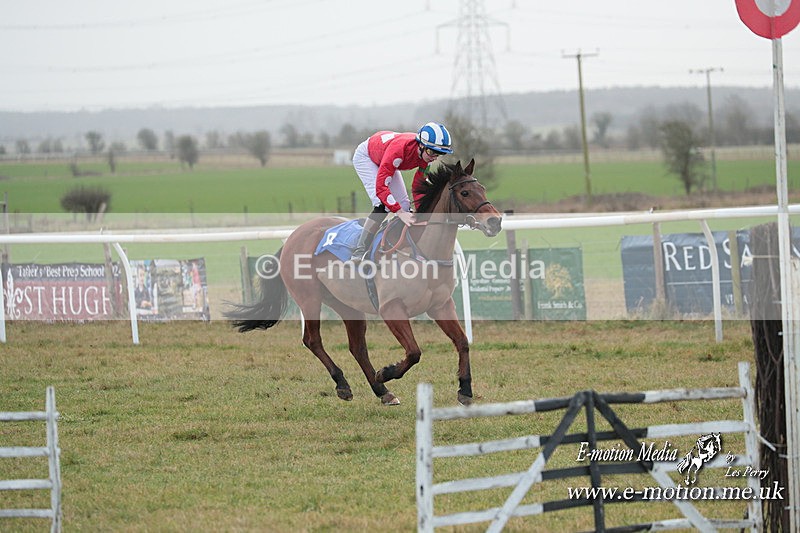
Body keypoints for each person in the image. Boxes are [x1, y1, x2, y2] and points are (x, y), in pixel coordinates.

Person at [349, 122, 453, 261]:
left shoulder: (425, 157)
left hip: (385, 156)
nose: (433, 157)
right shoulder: (399, 152)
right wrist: (398, 212)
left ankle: (399, 246)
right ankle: (359, 250)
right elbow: (381, 188)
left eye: (439, 154)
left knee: (405, 206)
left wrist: (421, 209)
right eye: (431, 151)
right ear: (421, 145)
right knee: (383, 204)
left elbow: (418, 185)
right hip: (367, 157)